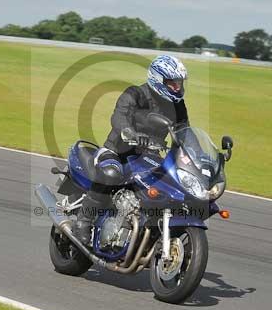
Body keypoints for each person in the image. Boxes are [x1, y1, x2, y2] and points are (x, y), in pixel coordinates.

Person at [71, 54, 189, 244]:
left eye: (179, 83)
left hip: (149, 157)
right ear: (158, 79)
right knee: (110, 174)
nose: (177, 87)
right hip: (117, 152)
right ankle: (83, 222)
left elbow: (184, 132)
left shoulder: (178, 106)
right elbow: (119, 116)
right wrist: (130, 132)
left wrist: (193, 152)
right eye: (172, 83)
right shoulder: (135, 94)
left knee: (170, 185)